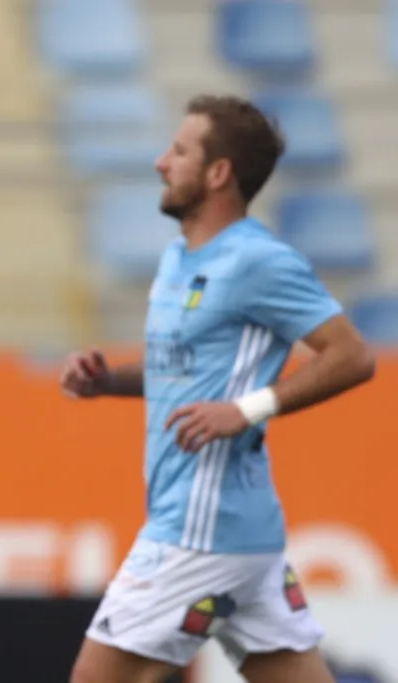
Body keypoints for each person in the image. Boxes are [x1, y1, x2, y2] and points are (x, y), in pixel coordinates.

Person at [61, 94, 376, 683]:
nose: (161, 161)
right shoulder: (182, 257)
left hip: (197, 535)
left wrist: (249, 408)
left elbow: (353, 356)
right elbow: (180, 370)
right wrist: (109, 381)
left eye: (179, 151)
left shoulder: (259, 261)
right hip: (244, 539)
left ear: (218, 172)